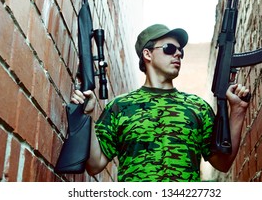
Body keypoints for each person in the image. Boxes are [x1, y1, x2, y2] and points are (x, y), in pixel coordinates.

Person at [71, 24, 249, 182]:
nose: (178, 53)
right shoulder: (120, 107)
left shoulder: (198, 107)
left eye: (181, 51)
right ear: (147, 54)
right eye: (169, 48)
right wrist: (85, 116)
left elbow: (223, 163)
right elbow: (95, 165)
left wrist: (238, 111)